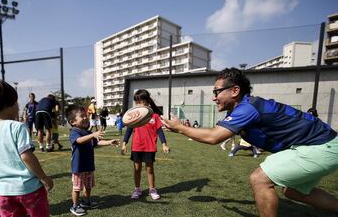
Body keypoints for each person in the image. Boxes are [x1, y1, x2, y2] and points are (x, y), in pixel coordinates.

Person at [162, 68, 338, 217]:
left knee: (259, 179)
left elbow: (213, 137)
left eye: (217, 91)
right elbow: (212, 132)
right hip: (323, 145)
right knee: (294, 191)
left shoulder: (247, 108)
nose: (214, 97)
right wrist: (181, 128)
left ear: (235, 91)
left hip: (321, 146)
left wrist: (180, 128)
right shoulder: (246, 107)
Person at [0, 77, 53, 217]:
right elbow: (26, 156)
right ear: (8, 104)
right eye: (16, 101)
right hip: (29, 189)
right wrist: (44, 177)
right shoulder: (17, 127)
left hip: (3, 193)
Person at [67, 104, 119, 216]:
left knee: (88, 185)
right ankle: (75, 206)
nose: (85, 118)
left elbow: (97, 142)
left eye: (85, 115)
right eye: (81, 116)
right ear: (73, 122)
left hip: (89, 165)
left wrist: (109, 142)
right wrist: (93, 135)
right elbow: (79, 141)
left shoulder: (88, 133)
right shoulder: (74, 132)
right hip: (79, 166)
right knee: (77, 188)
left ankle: (86, 201)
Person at [121, 89, 170, 200]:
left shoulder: (154, 116)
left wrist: (164, 144)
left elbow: (159, 131)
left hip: (150, 147)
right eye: (136, 102)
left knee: (149, 169)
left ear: (147, 101)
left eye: (141, 101)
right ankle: (137, 189)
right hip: (137, 146)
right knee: (137, 169)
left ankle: (152, 189)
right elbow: (129, 130)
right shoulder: (134, 115)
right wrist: (124, 143)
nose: (138, 104)